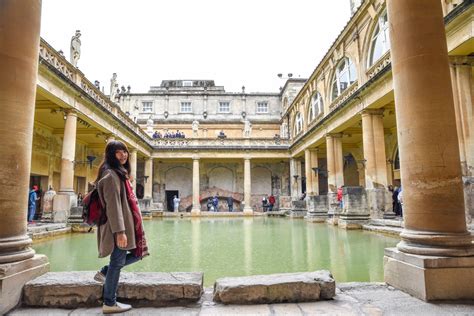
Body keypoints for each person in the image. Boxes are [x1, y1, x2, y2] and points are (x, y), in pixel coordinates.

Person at [93, 140, 149, 314]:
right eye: (118, 152)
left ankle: (105, 273)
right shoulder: (110, 175)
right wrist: (120, 232)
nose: (123, 155)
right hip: (118, 227)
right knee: (118, 262)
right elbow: (113, 205)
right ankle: (110, 303)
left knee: (137, 253)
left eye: (125, 151)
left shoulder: (119, 174)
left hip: (125, 225)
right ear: (111, 155)